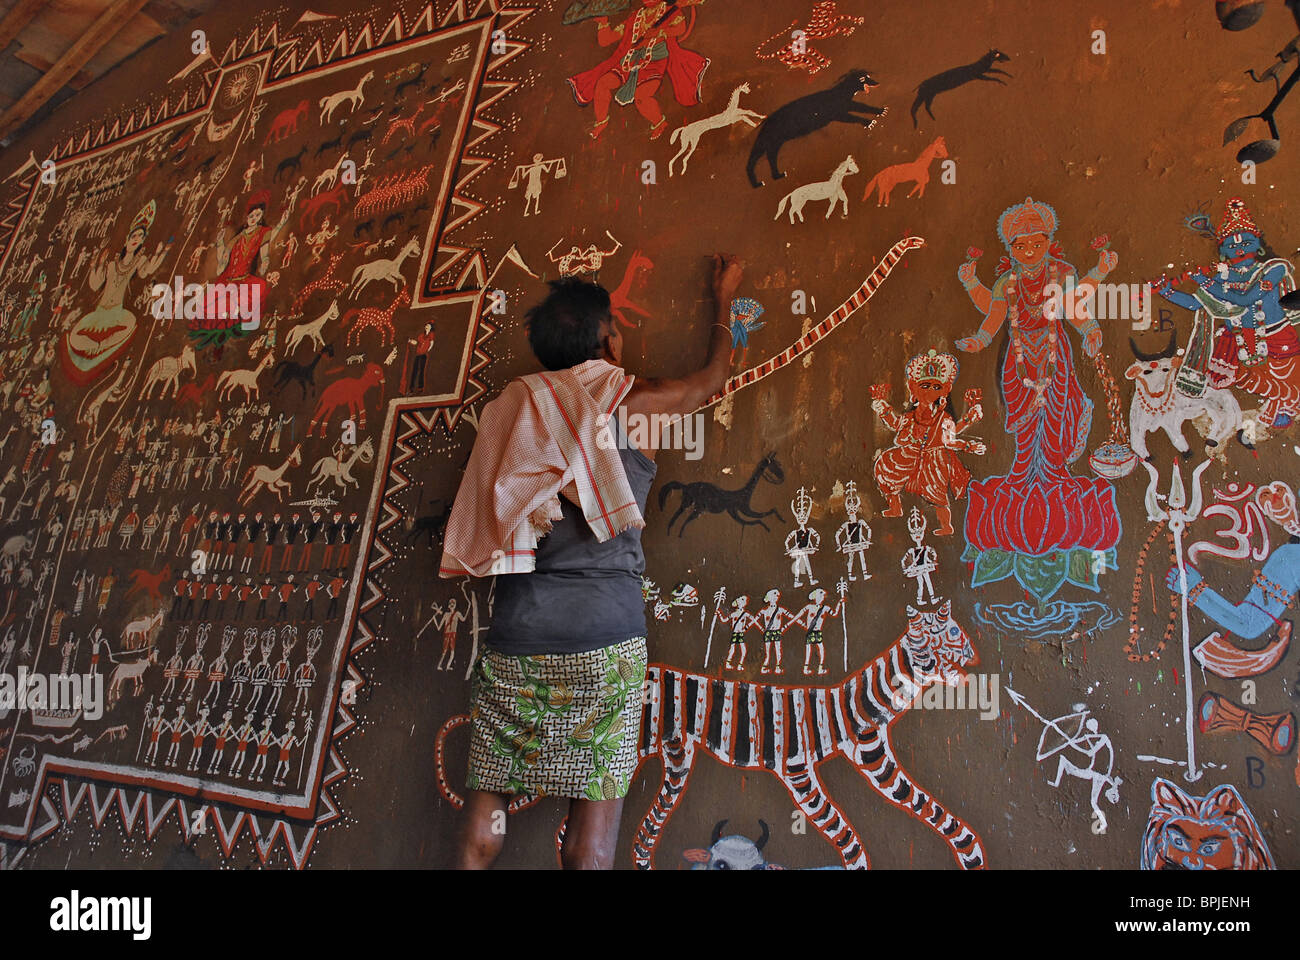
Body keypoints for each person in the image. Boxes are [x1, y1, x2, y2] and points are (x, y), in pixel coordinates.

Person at [442, 255, 740, 869]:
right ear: (610, 340)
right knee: (591, 840)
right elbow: (714, 376)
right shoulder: (639, 403)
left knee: (487, 811)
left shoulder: (512, 412)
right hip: (605, 643)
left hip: (519, 634)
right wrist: (722, 298)